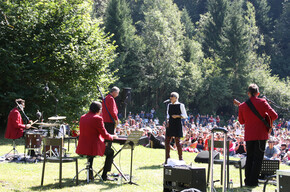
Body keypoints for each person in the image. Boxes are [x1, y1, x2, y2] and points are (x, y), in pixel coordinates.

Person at [238, 83, 278, 187]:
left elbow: (241, 122)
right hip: (260, 135)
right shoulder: (263, 102)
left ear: (248, 93)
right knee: (258, 159)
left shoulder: (242, 105)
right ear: (258, 93)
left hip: (249, 136)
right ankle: (254, 182)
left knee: (249, 158)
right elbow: (275, 115)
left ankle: (247, 181)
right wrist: (265, 115)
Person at [76, 101, 117, 180]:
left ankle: (90, 173)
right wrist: (113, 136)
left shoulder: (83, 117)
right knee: (110, 152)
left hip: (83, 146)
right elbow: (104, 134)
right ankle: (104, 175)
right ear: (99, 109)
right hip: (93, 146)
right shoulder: (98, 118)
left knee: (90, 154)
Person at [101, 86, 119, 181]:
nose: (118, 94)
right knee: (109, 143)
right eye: (118, 93)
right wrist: (116, 119)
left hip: (105, 121)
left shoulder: (105, 98)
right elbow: (112, 111)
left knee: (107, 142)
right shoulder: (111, 99)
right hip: (109, 122)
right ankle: (106, 171)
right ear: (114, 92)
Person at [165, 92, 187, 164]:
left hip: (177, 123)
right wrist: (167, 121)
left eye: (172, 97)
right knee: (167, 141)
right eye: (170, 97)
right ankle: (167, 159)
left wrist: (177, 116)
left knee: (178, 142)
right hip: (170, 123)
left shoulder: (181, 105)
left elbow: (185, 115)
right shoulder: (169, 105)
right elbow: (168, 114)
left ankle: (181, 159)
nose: (171, 98)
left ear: (176, 98)